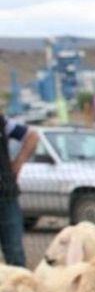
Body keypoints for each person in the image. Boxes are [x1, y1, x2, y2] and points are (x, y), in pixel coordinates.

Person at [0, 112, 39, 267]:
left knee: (15, 255)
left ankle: (18, 280)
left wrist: (18, 164)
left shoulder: (2, 122)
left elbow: (32, 136)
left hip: (6, 196)